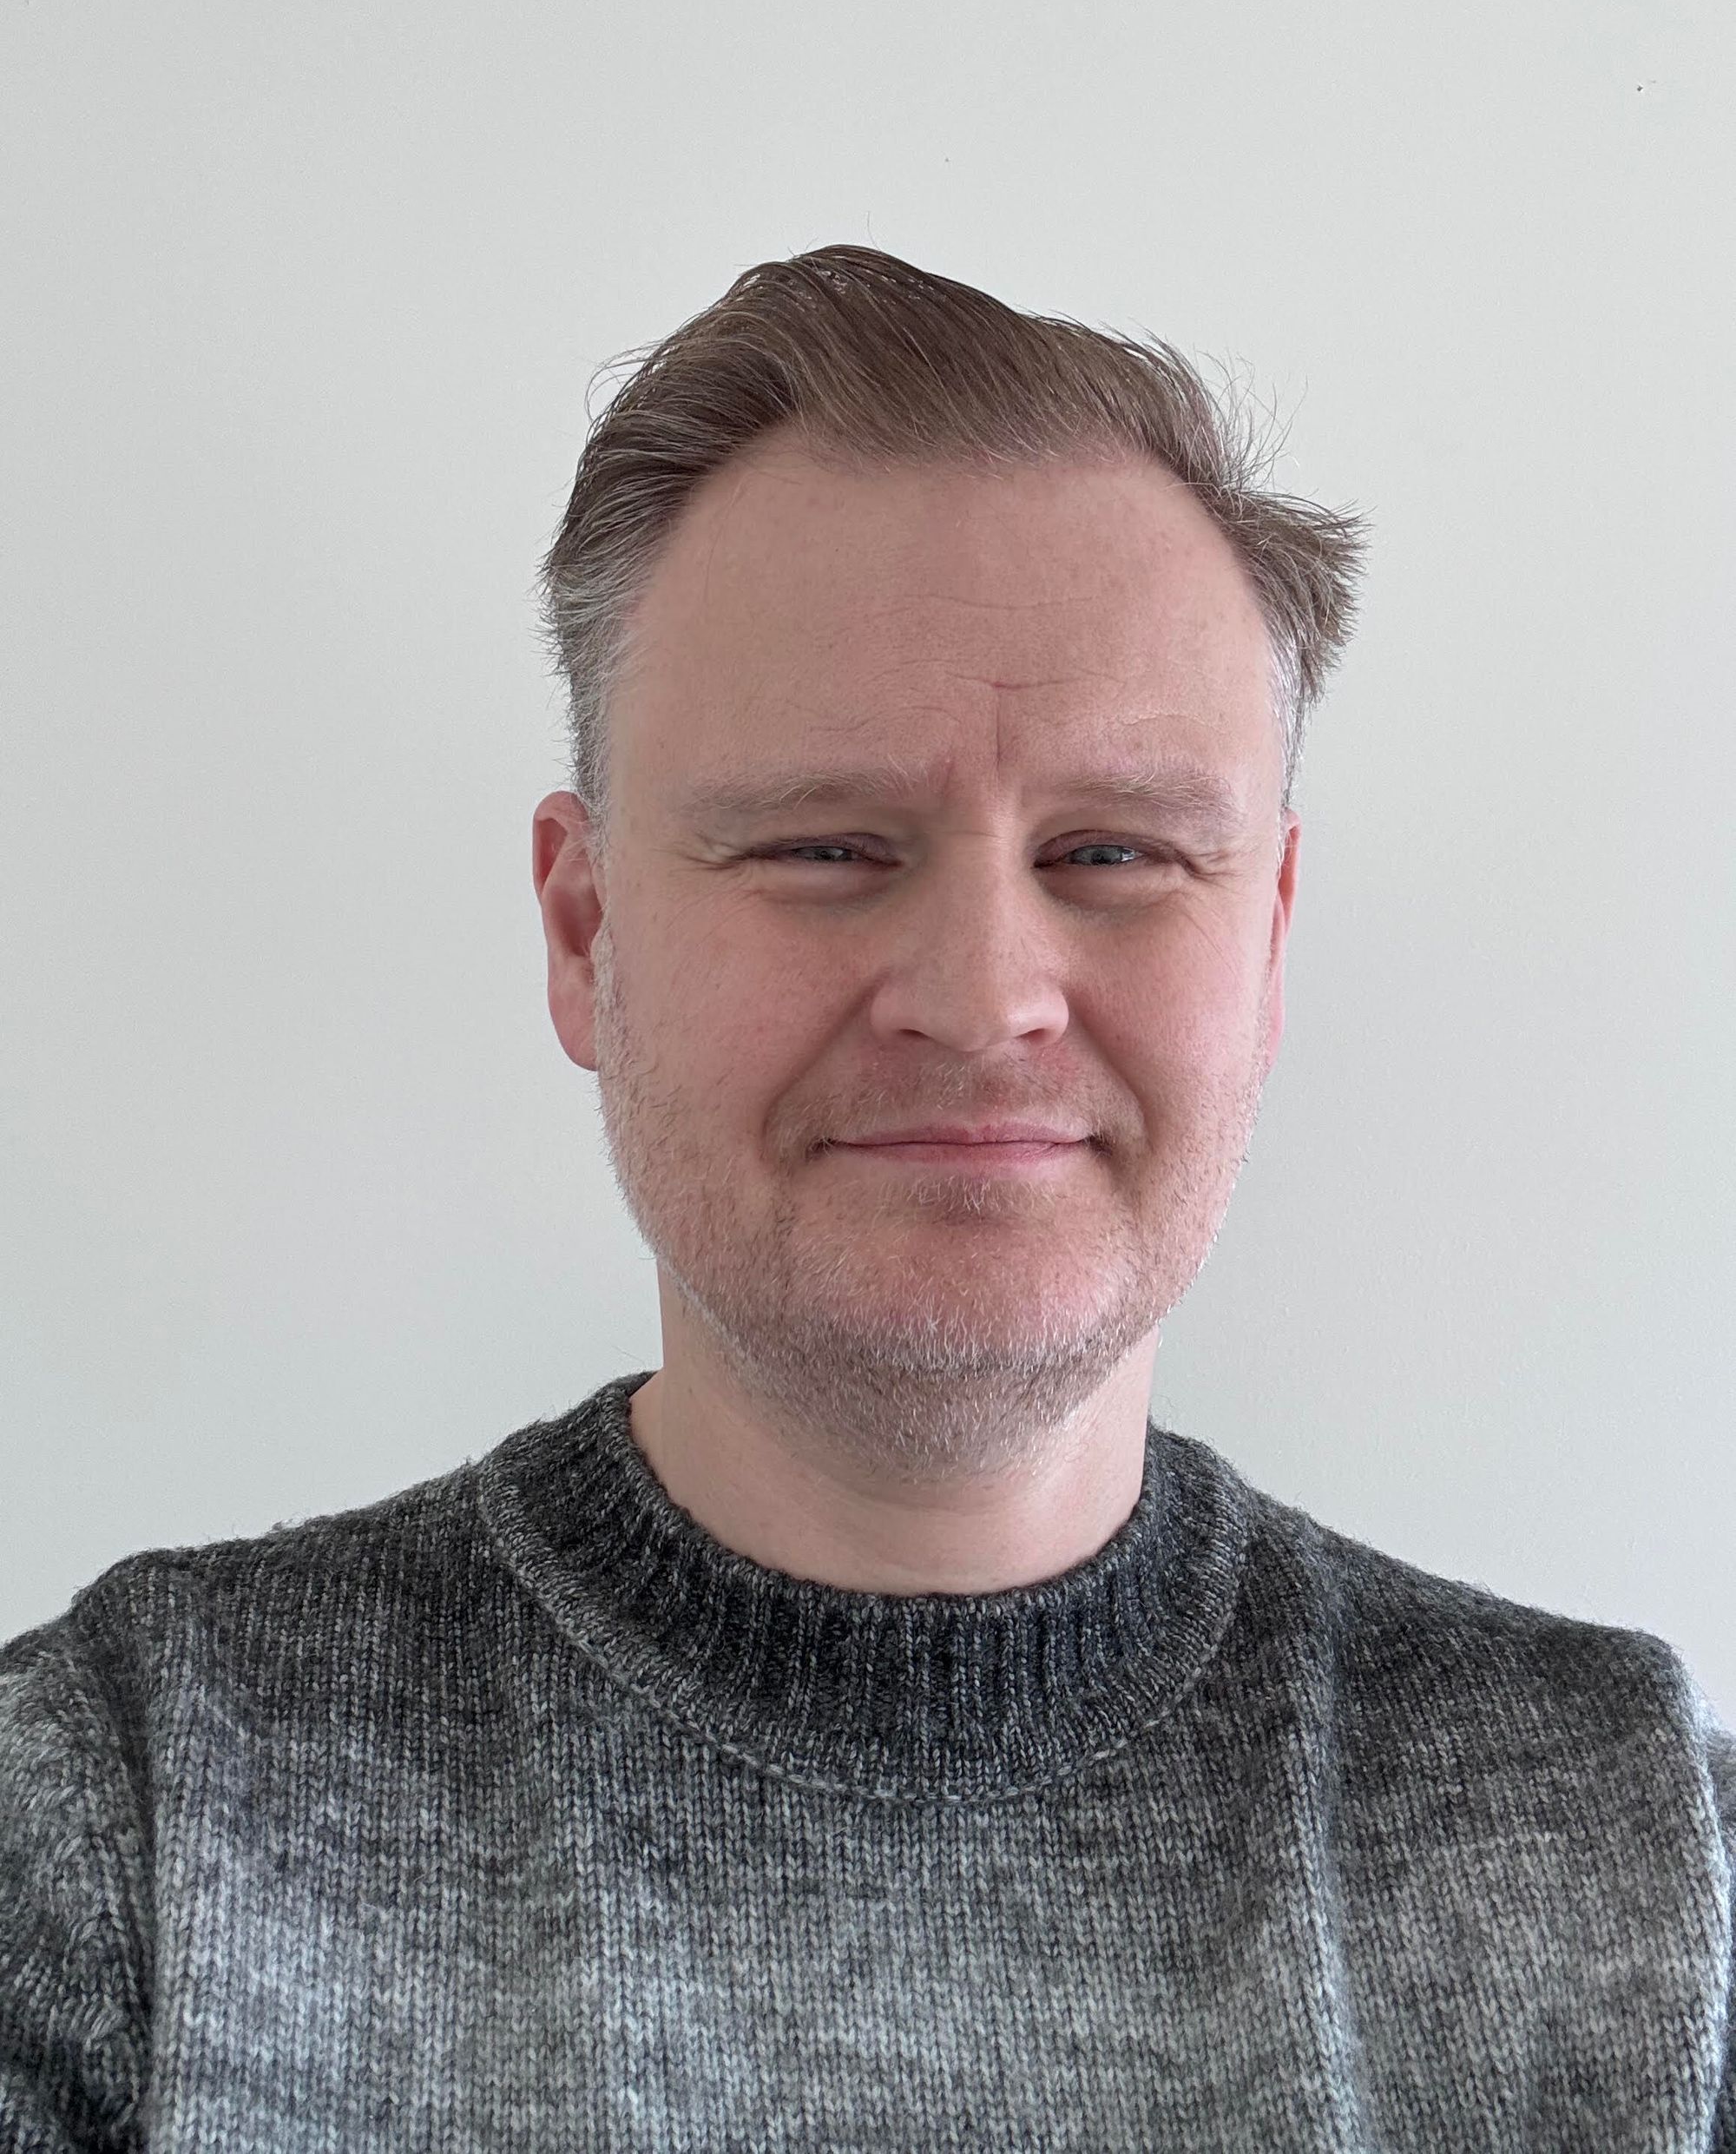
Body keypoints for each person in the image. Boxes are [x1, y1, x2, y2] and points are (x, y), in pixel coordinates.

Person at [2, 247, 1731, 2151]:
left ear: (1266, 949)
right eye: (825, 846)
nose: (983, 999)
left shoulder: (1655, 1861)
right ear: (584, 933)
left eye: (1113, 853)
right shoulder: (115, 1827)